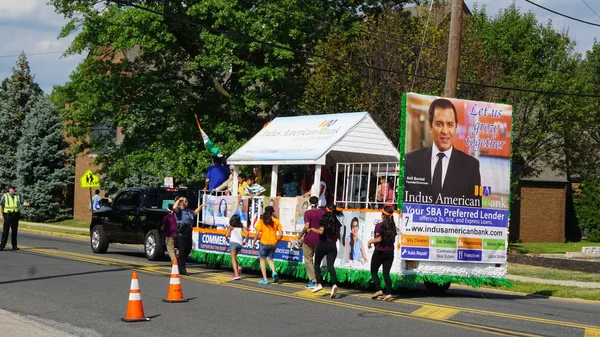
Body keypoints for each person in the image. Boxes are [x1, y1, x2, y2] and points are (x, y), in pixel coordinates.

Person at [404, 98, 481, 206]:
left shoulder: (471, 166)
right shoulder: (411, 160)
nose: (445, 131)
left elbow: (475, 210)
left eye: (450, 124)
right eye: (439, 124)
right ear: (430, 127)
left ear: (455, 127)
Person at [310, 204, 342, 298]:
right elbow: (338, 235)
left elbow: (321, 232)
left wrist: (312, 229)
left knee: (316, 264)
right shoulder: (336, 221)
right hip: (332, 245)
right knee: (330, 266)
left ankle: (319, 283)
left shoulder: (324, 219)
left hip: (323, 244)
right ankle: (334, 284)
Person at [368, 206, 398, 302]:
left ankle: (379, 289)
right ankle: (388, 293)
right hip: (390, 253)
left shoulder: (379, 226)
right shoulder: (393, 227)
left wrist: (370, 241)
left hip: (379, 252)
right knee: (386, 273)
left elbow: (379, 239)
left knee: (373, 271)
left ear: (383, 215)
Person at [297, 197, 325, 288]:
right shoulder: (322, 212)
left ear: (310, 203)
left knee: (308, 260)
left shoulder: (308, 213)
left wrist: (300, 235)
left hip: (309, 239)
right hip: (320, 239)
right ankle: (318, 280)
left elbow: (307, 226)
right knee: (317, 261)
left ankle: (312, 280)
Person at [172, 196, 202, 275]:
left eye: (186, 201)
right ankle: (182, 269)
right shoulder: (179, 210)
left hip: (188, 231)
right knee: (182, 250)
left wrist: (201, 206)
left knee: (188, 248)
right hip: (181, 231)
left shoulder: (189, 211)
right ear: (181, 203)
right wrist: (178, 200)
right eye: (184, 201)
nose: (186, 202)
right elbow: (174, 208)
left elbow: (195, 213)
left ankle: (179, 263)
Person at [254, 206, 283, 284]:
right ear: (272, 213)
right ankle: (273, 272)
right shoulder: (276, 221)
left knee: (262, 260)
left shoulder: (261, 221)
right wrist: (277, 241)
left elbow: (257, 233)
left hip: (264, 242)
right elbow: (281, 234)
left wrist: (254, 242)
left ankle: (265, 279)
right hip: (273, 243)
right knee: (270, 259)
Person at [0, 185, 31, 251]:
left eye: (14, 189)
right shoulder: (5, 196)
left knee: (14, 231)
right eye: (13, 189)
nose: (14, 190)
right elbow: (1, 205)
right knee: (5, 231)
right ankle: (2, 246)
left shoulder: (18, 196)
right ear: (9, 189)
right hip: (8, 215)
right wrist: (1, 215)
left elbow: (22, 202)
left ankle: (14, 246)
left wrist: (26, 204)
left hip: (15, 215)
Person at [225, 214, 248, 280]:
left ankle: (236, 274)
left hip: (233, 243)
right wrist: (245, 240)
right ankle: (238, 267)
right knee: (234, 257)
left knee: (233, 259)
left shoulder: (231, 227)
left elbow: (226, 235)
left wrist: (226, 238)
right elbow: (247, 233)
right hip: (239, 244)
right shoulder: (241, 227)